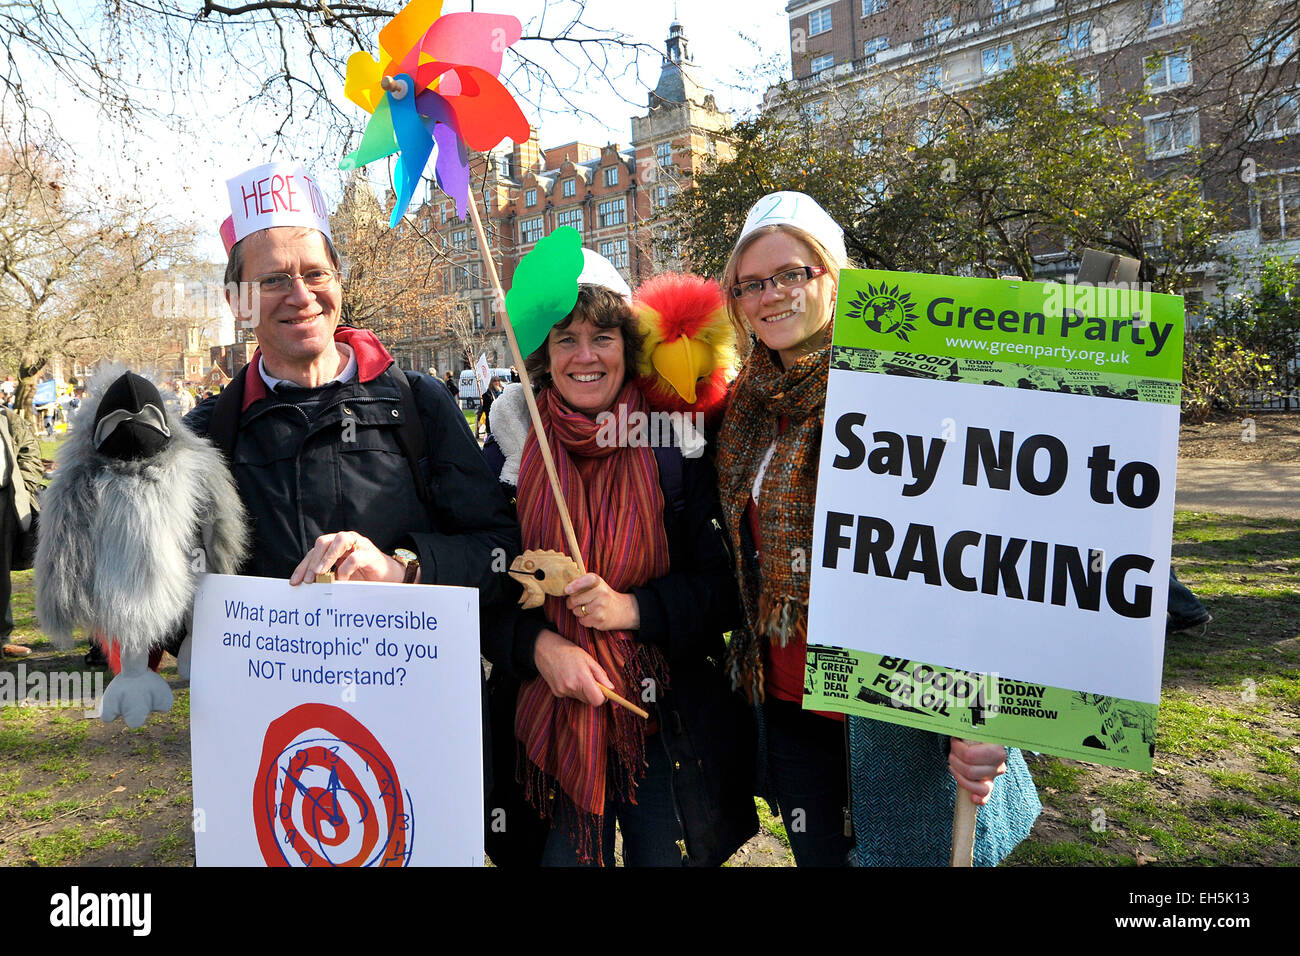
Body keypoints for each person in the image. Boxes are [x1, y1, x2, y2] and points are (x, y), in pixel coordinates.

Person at [714, 191, 1040, 866]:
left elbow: (983, 554)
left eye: (790, 273)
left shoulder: (908, 380)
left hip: (899, 711)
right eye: (749, 283)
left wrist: (990, 712)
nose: (769, 294)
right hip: (790, 706)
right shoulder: (744, 406)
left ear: (834, 277)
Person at [482, 251, 757, 867]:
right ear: (542, 356)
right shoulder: (509, 449)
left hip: (661, 729)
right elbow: (484, 589)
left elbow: (723, 589)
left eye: (602, 337)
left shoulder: (674, 445)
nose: (585, 356)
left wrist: (633, 608)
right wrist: (539, 649)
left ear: (627, 347)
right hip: (547, 731)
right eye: (566, 339)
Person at [186, 160, 516, 609]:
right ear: (236, 302)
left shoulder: (420, 404)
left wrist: (403, 570)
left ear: (339, 282)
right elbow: (165, 599)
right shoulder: (203, 437)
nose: (301, 297)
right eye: (273, 281)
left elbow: (500, 554)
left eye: (316, 273)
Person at [1, 404, 41, 657]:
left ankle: (1, 638)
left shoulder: (6, 417)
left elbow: (29, 450)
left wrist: (24, 486)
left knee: (0, 574)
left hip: (2, 501)